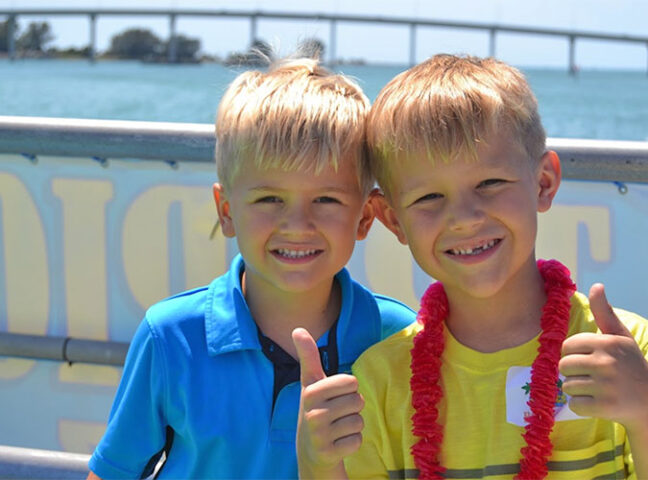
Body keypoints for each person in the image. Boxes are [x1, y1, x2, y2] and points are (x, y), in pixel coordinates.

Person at [298, 54, 648, 479]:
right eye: (429, 198)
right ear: (393, 219)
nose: (463, 216)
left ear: (543, 183)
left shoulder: (629, 353)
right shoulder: (377, 382)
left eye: (489, 183)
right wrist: (318, 463)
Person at [86, 57, 414, 479]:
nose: (297, 225)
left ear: (365, 217)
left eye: (326, 200)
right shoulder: (170, 336)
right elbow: (112, 472)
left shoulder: (398, 339)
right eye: (268, 199)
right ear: (226, 211)